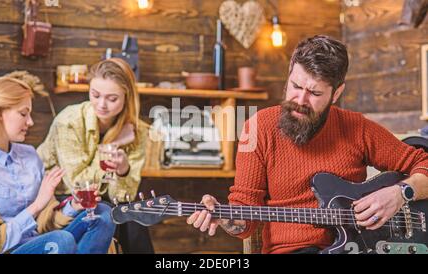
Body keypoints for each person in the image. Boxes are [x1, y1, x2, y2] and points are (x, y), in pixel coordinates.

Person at [186, 35, 428, 254]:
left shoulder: (356, 127)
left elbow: (423, 163)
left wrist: (400, 193)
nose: (300, 100)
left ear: (336, 93)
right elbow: (245, 221)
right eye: (295, 86)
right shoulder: (258, 128)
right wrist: (225, 217)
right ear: (289, 74)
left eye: (314, 93)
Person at [0, 77, 115, 254]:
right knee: (60, 240)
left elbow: (46, 223)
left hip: (44, 241)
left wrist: (73, 207)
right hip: (7, 250)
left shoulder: (29, 156)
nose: (30, 122)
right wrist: (36, 206)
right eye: (23, 113)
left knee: (102, 213)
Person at [36, 58, 154, 254]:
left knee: (135, 215)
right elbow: (77, 185)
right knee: (105, 213)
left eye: (112, 98)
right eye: (95, 94)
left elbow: (124, 196)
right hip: (61, 196)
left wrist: (123, 170)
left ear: (127, 96)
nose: (101, 104)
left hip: (104, 196)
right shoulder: (69, 121)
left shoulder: (137, 131)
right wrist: (111, 146)